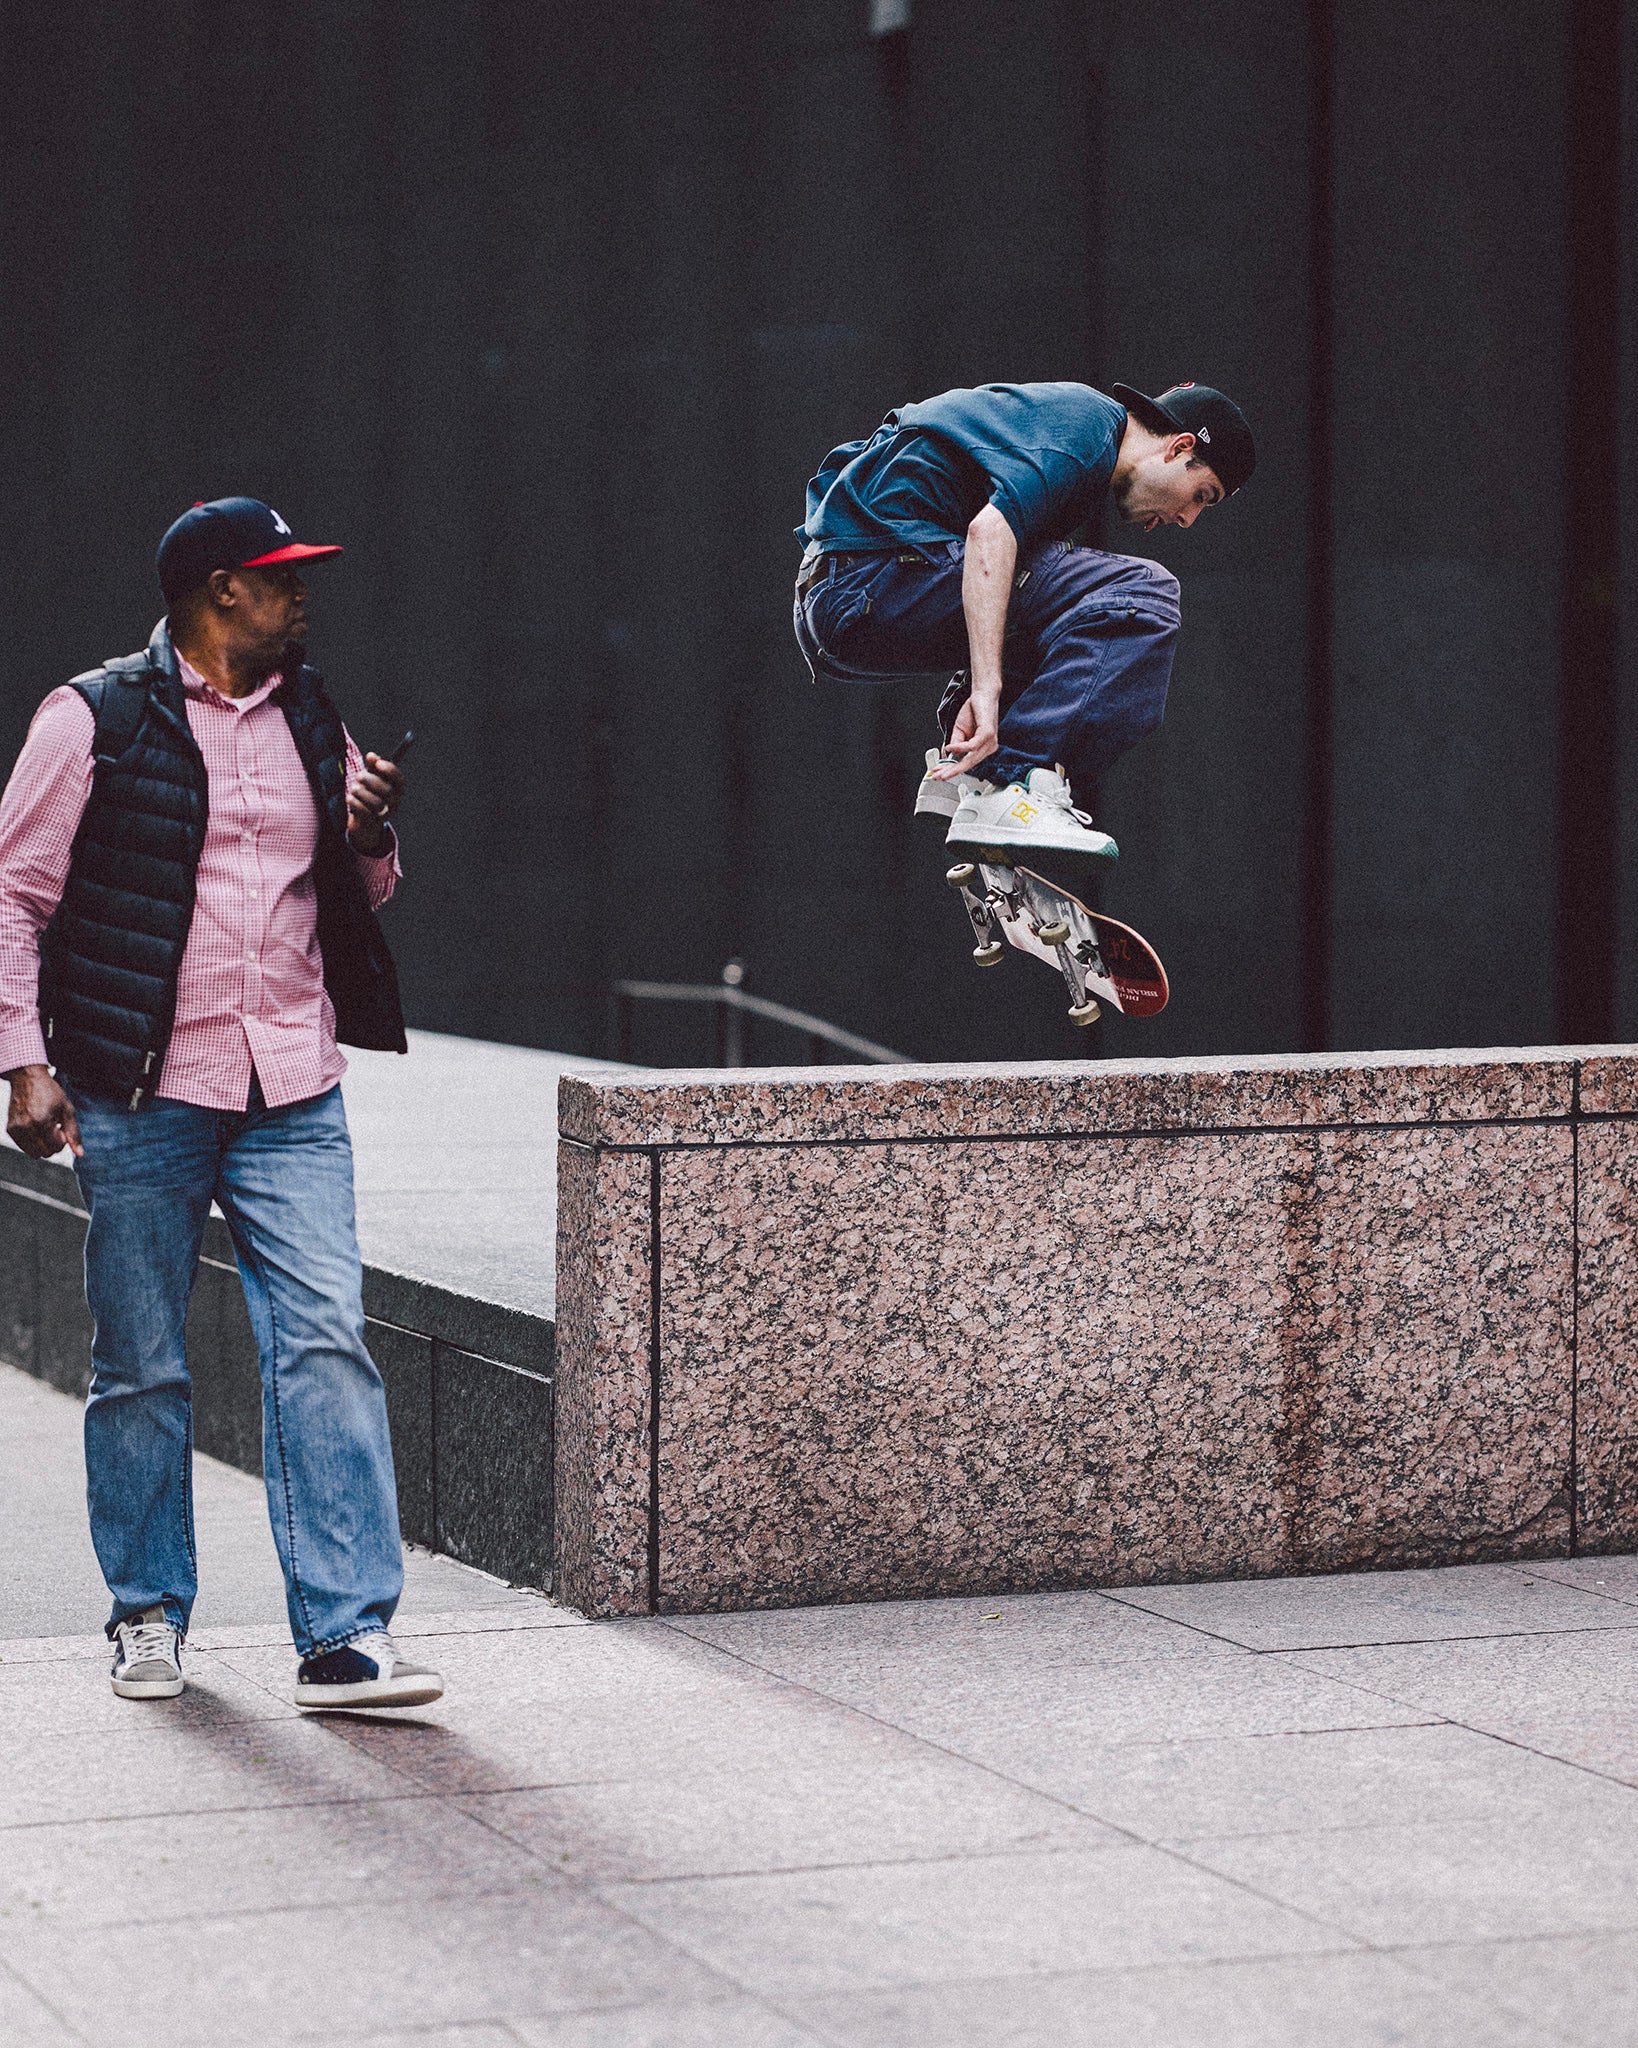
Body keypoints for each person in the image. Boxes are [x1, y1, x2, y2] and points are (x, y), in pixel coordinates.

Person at [0, 496, 442, 1711]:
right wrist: (22, 1058)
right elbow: (16, 898)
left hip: (291, 1081)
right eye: (282, 575)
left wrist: (373, 830)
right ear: (217, 592)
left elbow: (368, 887)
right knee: (141, 1361)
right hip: (141, 1084)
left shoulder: (313, 708)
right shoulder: (91, 716)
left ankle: (346, 1634)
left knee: (325, 1342)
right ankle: (146, 1610)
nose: (305, 592)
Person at [793, 379, 1256, 862]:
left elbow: (999, 581)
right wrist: (987, 690)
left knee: (1070, 611)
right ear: (1180, 447)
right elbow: (988, 534)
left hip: (846, 599)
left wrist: (974, 698)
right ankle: (1017, 780)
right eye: (1202, 494)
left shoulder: (1071, 447)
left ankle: (971, 773)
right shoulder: (1088, 427)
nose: (1188, 518)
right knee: (1143, 595)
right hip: (870, 578)